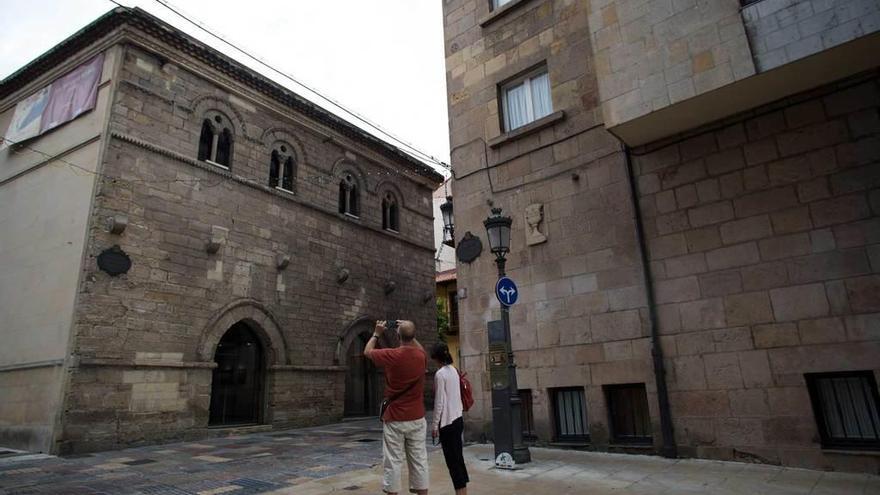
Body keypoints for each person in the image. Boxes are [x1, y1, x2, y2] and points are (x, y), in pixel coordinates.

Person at [364, 320, 429, 495]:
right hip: (417, 417)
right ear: (414, 337)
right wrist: (409, 329)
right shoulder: (421, 356)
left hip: (395, 418)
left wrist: (377, 333)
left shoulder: (392, 354)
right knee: (419, 460)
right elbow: (421, 349)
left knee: (393, 461)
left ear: (398, 336)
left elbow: (368, 351)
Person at [430, 343, 469, 495]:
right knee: (458, 459)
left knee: (452, 462)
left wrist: (434, 426)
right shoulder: (454, 370)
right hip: (458, 419)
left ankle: (460, 493)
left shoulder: (440, 374)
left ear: (437, 358)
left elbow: (439, 402)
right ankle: (463, 492)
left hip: (447, 423)